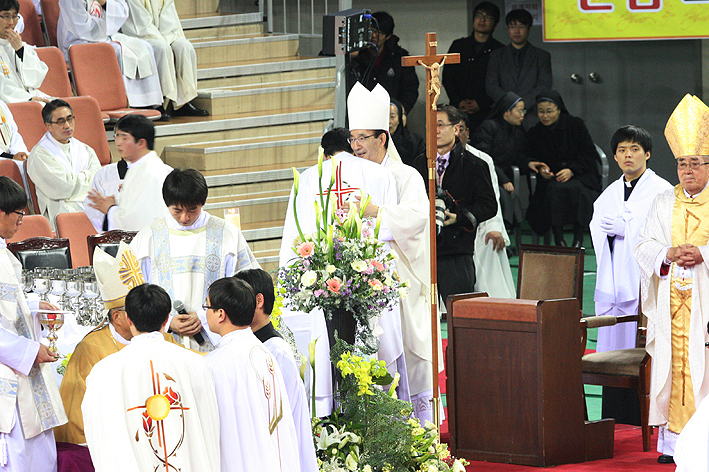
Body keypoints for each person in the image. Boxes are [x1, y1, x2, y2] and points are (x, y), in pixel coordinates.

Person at [279, 122, 399, 417]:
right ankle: (373, 413)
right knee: (371, 347)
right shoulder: (379, 173)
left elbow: (293, 237)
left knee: (323, 350)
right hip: (367, 280)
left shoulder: (308, 178)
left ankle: (326, 414)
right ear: (351, 146)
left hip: (319, 280)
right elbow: (391, 231)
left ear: (324, 152)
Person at [347, 82, 439, 423]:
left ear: (382, 138)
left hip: (400, 283)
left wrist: (376, 213)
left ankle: (419, 430)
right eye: (352, 139)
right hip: (361, 283)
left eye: (362, 138)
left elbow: (418, 220)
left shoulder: (405, 176)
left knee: (408, 360)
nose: (356, 146)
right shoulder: (348, 177)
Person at [635, 94, 709, 464]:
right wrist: (667, 252)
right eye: (682, 163)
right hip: (671, 304)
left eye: (695, 163)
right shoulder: (665, 200)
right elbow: (644, 244)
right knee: (672, 367)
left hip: (705, 304)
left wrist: (703, 254)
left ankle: (702, 446)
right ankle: (672, 443)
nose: (687, 170)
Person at [82, 283, 220, 471]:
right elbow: (209, 427)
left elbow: (99, 435)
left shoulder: (103, 372)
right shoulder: (196, 364)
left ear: (129, 319)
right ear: (166, 320)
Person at [55, 241, 180, 446]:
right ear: (117, 316)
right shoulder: (91, 348)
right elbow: (78, 413)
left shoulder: (162, 337)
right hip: (115, 441)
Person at [132, 168, 259, 351]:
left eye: (193, 209)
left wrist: (205, 317)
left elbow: (244, 289)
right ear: (167, 204)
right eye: (177, 210)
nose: (185, 217)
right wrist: (166, 321)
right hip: (164, 340)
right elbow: (134, 293)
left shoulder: (227, 234)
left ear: (202, 203)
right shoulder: (148, 238)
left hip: (217, 341)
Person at [0, 176, 67, 471]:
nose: (21, 221)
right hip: (9, 367)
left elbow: (7, 304)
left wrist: (33, 306)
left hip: (21, 363)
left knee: (37, 450)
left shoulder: (4, 251)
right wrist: (28, 351)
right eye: (17, 214)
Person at [204, 277, 300, 472]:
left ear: (220, 314)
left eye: (207, 307)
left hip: (240, 458)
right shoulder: (264, 351)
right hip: (270, 459)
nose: (205, 313)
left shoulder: (214, 364)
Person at [591, 126, 672, 352]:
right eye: (622, 150)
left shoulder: (662, 191)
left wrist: (630, 230)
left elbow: (666, 233)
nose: (628, 155)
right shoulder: (609, 194)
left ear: (647, 154)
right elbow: (596, 227)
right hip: (614, 275)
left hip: (643, 277)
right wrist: (609, 234)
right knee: (611, 338)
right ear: (615, 156)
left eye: (635, 149)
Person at [234, 269, 318, 472]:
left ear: (258, 301)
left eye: (238, 299)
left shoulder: (275, 350)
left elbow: (279, 414)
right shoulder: (252, 344)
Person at [411, 105, 497, 302]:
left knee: (459, 308)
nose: (435, 130)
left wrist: (459, 217)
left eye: (440, 125)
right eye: (431, 125)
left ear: (456, 129)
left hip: (456, 250)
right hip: (423, 249)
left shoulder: (474, 165)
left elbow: (489, 205)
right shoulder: (418, 163)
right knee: (422, 310)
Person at [525, 91, 601, 247]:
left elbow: (588, 153)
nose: (545, 116)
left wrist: (571, 170)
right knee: (555, 191)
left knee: (579, 190)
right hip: (552, 179)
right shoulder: (535, 132)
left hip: (580, 175)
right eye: (541, 112)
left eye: (549, 111)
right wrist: (541, 169)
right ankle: (559, 238)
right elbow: (528, 156)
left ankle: (578, 238)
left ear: (559, 110)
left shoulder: (575, 125)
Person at [57, 0, 164, 111]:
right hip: (77, 41)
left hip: (105, 35)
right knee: (116, 51)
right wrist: (105, 27)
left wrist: (105, 3)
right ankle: (129, 103)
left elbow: (122, 10)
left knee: (144, 47)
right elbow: (80, 28)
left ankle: (150, 102)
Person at [459, 113, 515, 298]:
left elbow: (492, 198)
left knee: (490, 242)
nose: (457, 134)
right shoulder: (429, 158)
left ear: (468, 132)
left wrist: (494, 227)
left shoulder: (482, 159)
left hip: (478, 221)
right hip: (445, 223)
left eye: (461, 129)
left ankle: (490, 299)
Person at [120, 0, 208, 117]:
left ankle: (183, 103)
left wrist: (167, 37)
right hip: (139, 36)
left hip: (163, 35)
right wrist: (163, 39)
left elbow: (169, 19)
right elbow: (140, 24)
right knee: (161, 48)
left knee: (184, 47)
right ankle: (158, 103)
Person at [86, 114, 172, 231]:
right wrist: (118, 200)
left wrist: (110, 209)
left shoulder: (150, 172)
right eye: (117, 136)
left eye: (125, 138)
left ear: (141, 143)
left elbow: (138, 218)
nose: (118, 143)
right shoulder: (138, 166)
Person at [27, 99, 101, 230]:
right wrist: (87, 178)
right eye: (61, 121)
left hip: (92, 208)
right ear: (48, 126)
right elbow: (62, 188)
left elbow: (98, 180)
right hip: (61, 216)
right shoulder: (40, 155)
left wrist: (74, 183)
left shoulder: (85, 149)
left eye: (70, 119)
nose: (67, 125)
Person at [442, 1, 503, 133]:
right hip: (458, 109)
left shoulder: (499, 50)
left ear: (495, 24)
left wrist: (481, 104)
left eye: (488, 17)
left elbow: (500, 83)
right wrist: (458, 101)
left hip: (487, 112)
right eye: (479, 15)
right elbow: (448, 77)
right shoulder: (458, 45)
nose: (482, 20)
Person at [485, 8, 551, 126]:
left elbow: (544, 85)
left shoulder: (542, 56)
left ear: (529, 29)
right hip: (504, 113)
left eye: (522, 27)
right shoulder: (496, 56)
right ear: (508, 29)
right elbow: (491, 85)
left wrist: (522, 104)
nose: (517, 31)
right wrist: (510, 103)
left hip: (532, 114)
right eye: (513, 26)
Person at [472, 92, 526, 231]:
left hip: (503, 177)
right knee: (501, 194)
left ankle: (506, 230)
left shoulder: (517, 132)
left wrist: (530, 163)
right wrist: (503, 179)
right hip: (485, 175)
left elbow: (518, 158)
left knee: (508, 194)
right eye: (519, 111)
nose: (522, 115)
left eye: (523, 111)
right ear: (507, 111)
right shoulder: (489, 127)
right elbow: (483, 158)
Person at [349, 11, 419, 114]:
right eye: (370, 31)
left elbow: (410, 90)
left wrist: (400, 112)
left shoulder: (399, 57)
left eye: (379, 32)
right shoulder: (356, 55)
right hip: (359, 112)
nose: (373, 35)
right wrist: (348, 58)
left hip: (390, 113)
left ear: (388, 36)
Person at [0, 0, 51, 104]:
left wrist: (20, 51)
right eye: (6, 16)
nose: (11, 22)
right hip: (9, 102)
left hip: (31, 96)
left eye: (14, 17)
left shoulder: (21, 46)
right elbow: (2, 85)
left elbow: (35, 80)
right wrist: (28, 99)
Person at [389, 98, 424, 166]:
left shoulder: (415, 141)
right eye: (386, 117)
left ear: (399, 119)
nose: (389, 122)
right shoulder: (376, 141)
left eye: (392, 117)